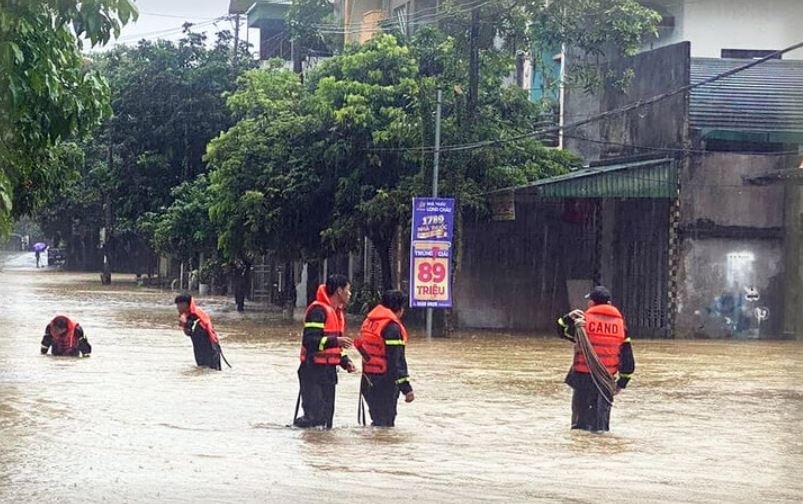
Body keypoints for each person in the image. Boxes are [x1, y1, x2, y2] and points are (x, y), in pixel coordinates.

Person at [556, 286, 635, 432]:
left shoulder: (582, 324)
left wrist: (567, 318)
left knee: (580, 427)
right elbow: (628, 360)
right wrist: (622, 383)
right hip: (605, 381)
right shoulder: (621, 327)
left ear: (591, 304)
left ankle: (582, 450)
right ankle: (599, 450)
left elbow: (561, 331)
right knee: (601, 427)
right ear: (609, 304)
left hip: (583, 379)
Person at [293, 274, 356, 429]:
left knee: (327, 421)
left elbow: (333, 349)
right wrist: (336, 341)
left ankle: (324, 451)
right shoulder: (318, 311)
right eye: (348, 290)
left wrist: (345, 361)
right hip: (312, 370)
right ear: (339, 291)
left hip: (328, 372)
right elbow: (310, 341)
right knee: (315, 418)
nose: (350, 294)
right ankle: (303, 439)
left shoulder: (336, 313)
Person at [355, 290, 414, 427]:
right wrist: (406, 388)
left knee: (377, 422)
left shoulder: (369, 322)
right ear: (399, 308)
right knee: (386, 424)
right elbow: (396, 361)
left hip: (367, 380)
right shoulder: (392, 328)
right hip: (385, 383)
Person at [174, 293, 222, 370]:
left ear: (185, 304)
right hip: (206, 348)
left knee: (207, 370)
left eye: (179, 304)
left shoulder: (194, 317)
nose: (177, 307)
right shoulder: (194, 313)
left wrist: (185, 323)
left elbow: (191, 331)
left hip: (208, 349)